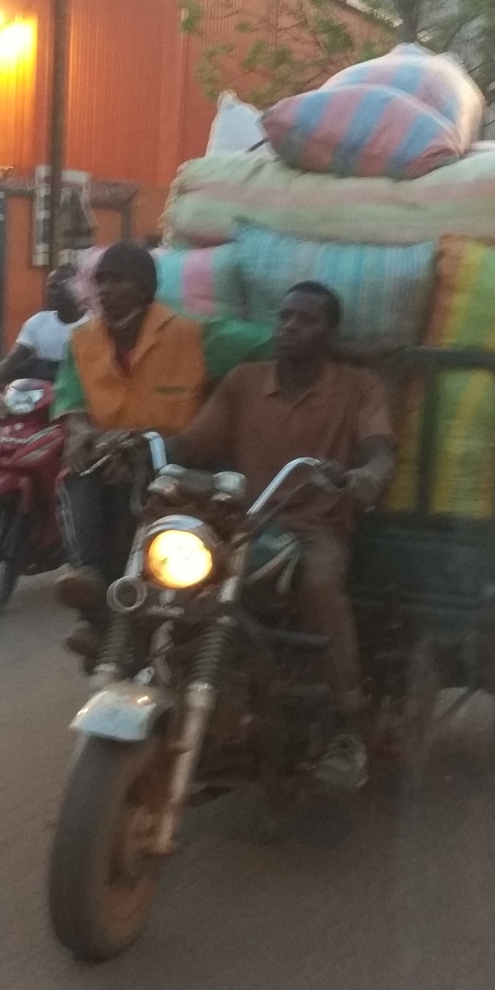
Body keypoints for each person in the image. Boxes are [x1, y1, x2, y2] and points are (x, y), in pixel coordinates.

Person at [178, 281, 395, 790]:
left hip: (316, 524)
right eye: (285, 317)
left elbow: (380, 448)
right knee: (171, 564)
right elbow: (193, 444)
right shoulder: (244, 381)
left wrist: (367, 475)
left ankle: (346, 726)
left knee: (320, 583)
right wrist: (144, 447)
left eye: (307, 320)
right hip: (243, 521)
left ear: (331, 333)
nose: (291, 327)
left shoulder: (358, 387)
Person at [52, 242, 269, 652]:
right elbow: (72, 399)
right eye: (100, 280)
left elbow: (267, 342)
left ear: (145, 287)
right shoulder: (81, 341)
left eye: (117, 280)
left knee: (133, 499)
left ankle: (122, 619)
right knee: (74, 474)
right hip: (106, 456)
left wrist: (337, 348)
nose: (105, 289)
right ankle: (89, 588)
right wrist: (80, 433)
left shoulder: (192, 334)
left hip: (173, 462)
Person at [0, 264, 80, 392]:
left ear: (78, 288)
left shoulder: (93, 323)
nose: (55, 293)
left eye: (61, 287)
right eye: (51, 288)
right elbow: (13, 359)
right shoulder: (37, 322)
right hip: (41, 395)